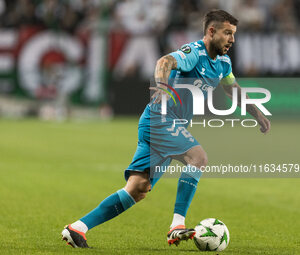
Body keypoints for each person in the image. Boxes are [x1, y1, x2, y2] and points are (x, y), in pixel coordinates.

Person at [61, 9, 271, 248]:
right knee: (198, 158)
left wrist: (258, 114)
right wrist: (161, 86)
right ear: (211, 31)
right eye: (227, 33)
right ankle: (177, 226)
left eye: (234, 34)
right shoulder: (194, 53)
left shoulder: (223, 63)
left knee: (137, 190)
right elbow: (165, 61)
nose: (232, 39)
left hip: (163, 126)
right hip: (161, 119)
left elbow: (232, 89)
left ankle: (77, 228)